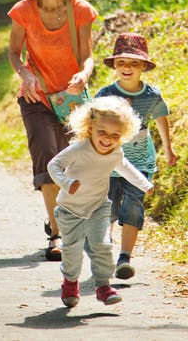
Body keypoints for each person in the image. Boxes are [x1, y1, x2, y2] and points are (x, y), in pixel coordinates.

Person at [7, 0, 98, 261]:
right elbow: (13, 54)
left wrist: (84, 76)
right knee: (47, 157)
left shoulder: (81, 9)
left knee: (73, 162)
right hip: (36, 97)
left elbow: (88, 58)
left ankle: (62, 218)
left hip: (72, 96)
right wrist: (25, 75)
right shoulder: (23, 11)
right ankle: (57, 236)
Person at [47, 96, 154, 307]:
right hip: (70, 210)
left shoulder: (115, 153)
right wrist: (67, 183)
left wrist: (145, 184)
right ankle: (70, 282)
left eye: (115, 135)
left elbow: (126, 168)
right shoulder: (79, 149)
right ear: (90, 127)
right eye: (102, 132)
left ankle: (103, 286)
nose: (108, 139)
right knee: (72, 251)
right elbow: (53, 165)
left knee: (102, 246)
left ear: (123, 135)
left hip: (98, 208)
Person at [95, 32, 178, 280]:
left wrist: (169, 149)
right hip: (108, 161)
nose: (127, 68)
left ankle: (124, 259)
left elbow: (161, 119)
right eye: (121, 63)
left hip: (140, 161)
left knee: (132, 207)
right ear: (115, 67)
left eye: (133, 63)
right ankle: (104, 248)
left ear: (143, 66)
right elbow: (93, 127)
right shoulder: (105, 94)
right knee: (107, 208)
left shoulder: (152, 95)